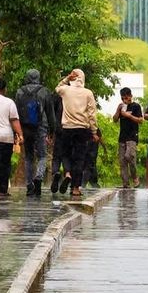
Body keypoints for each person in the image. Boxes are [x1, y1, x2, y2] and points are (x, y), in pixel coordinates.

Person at [55, 69, 98, 197]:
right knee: (79, 158)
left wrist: (67, 78)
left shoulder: (66, 90)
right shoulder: (88, 93)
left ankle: (68, 173)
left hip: (67, 128)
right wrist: (94, 131)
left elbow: (57, 88)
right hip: (82, 129)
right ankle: (75, 188)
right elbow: (92, 114)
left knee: (66, 154)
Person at [15, 69, 57, 197]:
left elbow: (16, 113)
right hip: (41, 127)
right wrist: (52, 131)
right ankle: (39, 176)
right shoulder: (44, 91)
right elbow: (50, 113)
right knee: (42, 156)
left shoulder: (20, 92)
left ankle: (29, 186)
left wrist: (17, 132)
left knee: (28, 157)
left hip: (25, 128)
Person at [113, 87, 143, 188]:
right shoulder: (121, 107)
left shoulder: (136, 106)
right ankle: (125, 183)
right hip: (122, 137)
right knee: (122, 161)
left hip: (132, 136)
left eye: (127, 97)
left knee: (129, 156)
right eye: (123, 98)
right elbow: (115, 120)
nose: (126, 100)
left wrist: (129, 116)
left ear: (131, 96)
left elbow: (140, 120)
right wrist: (118, 110)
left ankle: (135, 177)